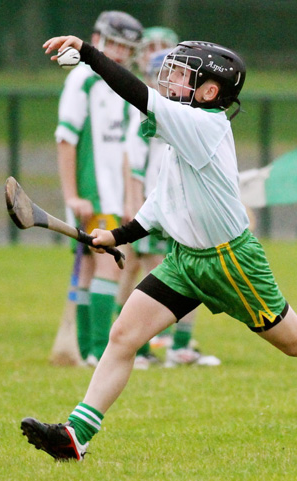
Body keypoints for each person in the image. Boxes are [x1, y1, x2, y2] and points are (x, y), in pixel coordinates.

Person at [21, 34, 297, 462]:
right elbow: (163, 200)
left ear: (209, 91)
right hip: (185, 262)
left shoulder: (203, 124)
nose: (169, 80)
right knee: (123, 336)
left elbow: (137, 94)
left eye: (181, 74)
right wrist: (118, 236)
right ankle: (75, 437)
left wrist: (91, 55)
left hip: (230, 262)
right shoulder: (183, 135)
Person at [117, 30, 220, 369]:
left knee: (186, 279)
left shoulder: (190, 118)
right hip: (154, 209)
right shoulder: (149, 117)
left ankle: (177, 346)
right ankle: (142, 349)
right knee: (154, 280)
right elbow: (132, 165)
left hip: (180, 212)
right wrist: (133, 204)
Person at [55, 11, 143, 366]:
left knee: (94, 270)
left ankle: (86, 351)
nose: (120, 54)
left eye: (127, 48)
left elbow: (125, 149)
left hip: (115, 193)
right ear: (99, 38)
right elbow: (66, 139)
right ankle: (96, 351)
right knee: (107, 268)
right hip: (92, 192)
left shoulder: (122, 83)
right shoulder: (82, 80)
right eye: (115, 45)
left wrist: (128, 196)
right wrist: (72, 194)